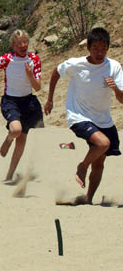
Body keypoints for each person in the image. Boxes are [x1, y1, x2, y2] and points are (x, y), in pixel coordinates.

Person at [44, 27, 123, 204]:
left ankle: (88, 199)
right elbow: (56, 72)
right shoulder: (75, 64)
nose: (100, 52)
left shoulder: (114, 66)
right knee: (103, 143)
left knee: (100, 163)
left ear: (108, 48)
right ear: (88, 47)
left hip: (103, 119)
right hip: (78, 116)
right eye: (96, 48)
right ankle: (82, 166)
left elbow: (122, 99)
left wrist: (115, 88)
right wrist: (50, 99)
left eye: (103, 48)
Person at [0, 29, 43, 182]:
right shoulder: (7, 59)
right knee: (15, 130)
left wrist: (29, 75)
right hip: (10, 101)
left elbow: (37, 87)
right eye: (18, 43)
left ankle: (9, 175)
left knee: (21, 141)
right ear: (13, 46)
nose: (22, 45)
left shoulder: (34, 59)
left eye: (25, 42)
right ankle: (8, 140)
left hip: (28, 102)